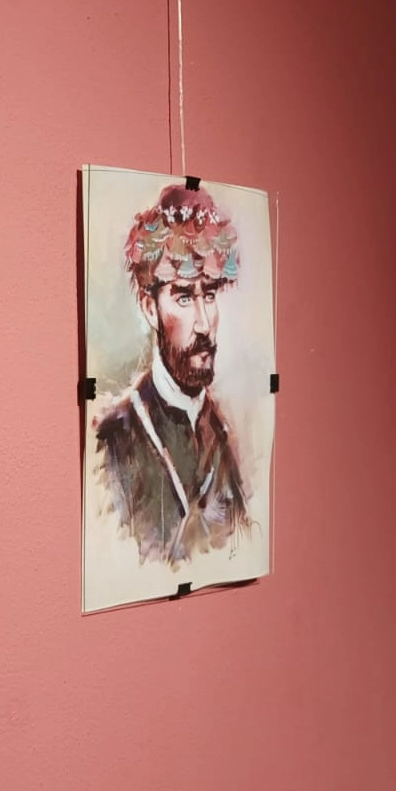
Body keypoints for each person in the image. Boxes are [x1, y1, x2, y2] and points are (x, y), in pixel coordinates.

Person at [93, 183, 249, 568]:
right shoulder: (114, 439)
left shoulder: (224, 436)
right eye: (183, 297)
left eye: (209, 295)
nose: (204, 323)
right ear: (150, 308)